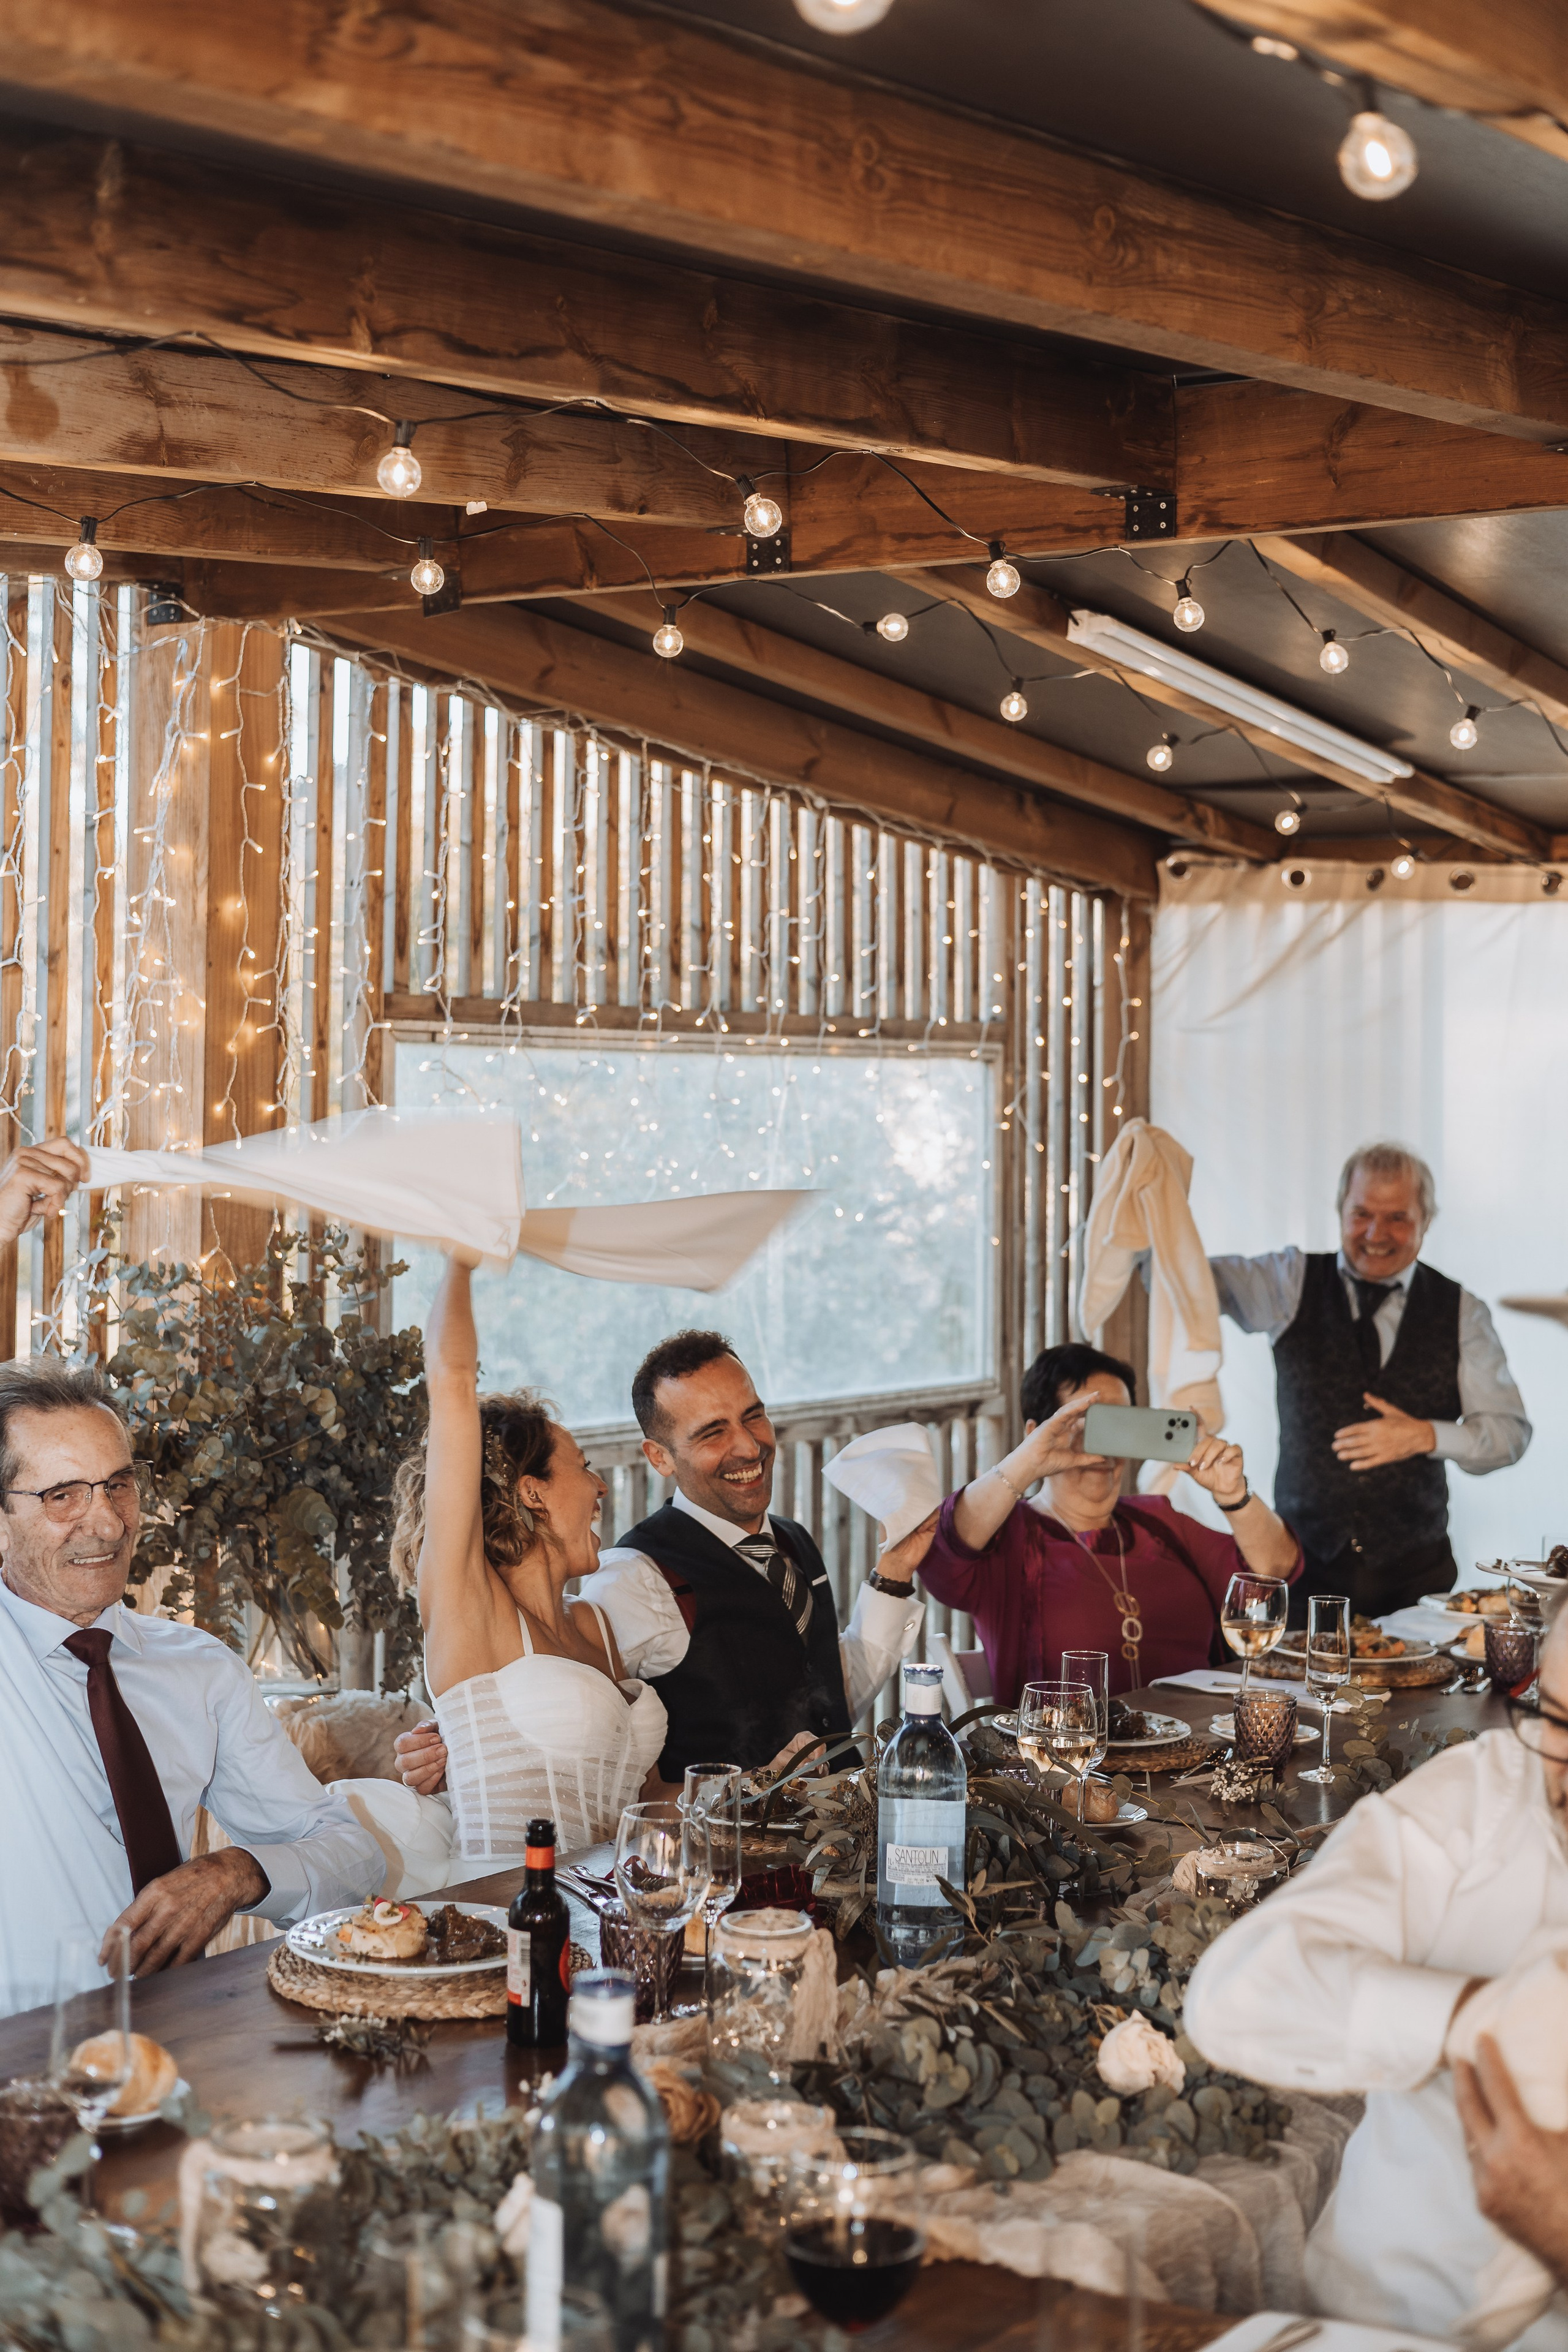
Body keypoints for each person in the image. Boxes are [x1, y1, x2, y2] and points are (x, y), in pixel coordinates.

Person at [0, 1137, 382, 2022]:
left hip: (174, 2063)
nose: (104, 1521)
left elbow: (350, 1857)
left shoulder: (195, 1668)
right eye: (61, 1495)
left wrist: (239, 1871)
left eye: (119, 1484)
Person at [1183, 1596, 1568, 2345]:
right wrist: (1479, 2024)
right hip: (1368, 2324)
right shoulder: (1487, 1796)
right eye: (1556, 1716)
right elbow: (1238, 1993)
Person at [398, 1327, 925, 1794]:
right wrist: (451, 1745)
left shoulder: (794, 1543)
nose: (749, 1446)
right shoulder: (633, 1578)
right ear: (660, 1457)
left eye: (754, 1415)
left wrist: (895, 1573)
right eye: (713, 1432)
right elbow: (535, 1707)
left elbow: (829, 1693)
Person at [391, 1256, 668, 1864]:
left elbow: (646, 1806)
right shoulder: (472, 1606)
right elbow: (451, 1380)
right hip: (505, 1918)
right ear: (532, 1490)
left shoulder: (595, 1627)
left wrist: (749, 1789)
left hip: (609, 1925)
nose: (601, 1489)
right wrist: (460, 1260)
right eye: (585, 1467)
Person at [1210, 1139, 1529, 1623]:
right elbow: (1185, 1279)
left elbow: (1510, 1434)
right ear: (1341, 1211)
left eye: (1398, 1217)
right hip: (1299, 1572)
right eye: (1361, 1214)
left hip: (1417, 1580)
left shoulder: (1462, 1311)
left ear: (1426, 1221)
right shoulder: (1290, 1280)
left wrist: (1425, 1435)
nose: (1376, 1233)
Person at [915, 1342, 1298, 1703]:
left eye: (1121, 1424)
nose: (1104, 1445)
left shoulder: (1159, 1520)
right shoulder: (1008, 1538)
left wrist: (1235, 1496)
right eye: (1086, 1423)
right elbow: (945, 1548)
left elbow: (1271, 1575)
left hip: (1201, 1756)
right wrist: (1027, 1463)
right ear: (1036, 1435)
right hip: (1073, 1765)